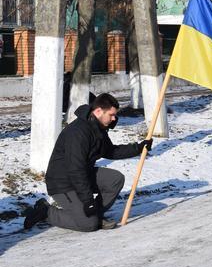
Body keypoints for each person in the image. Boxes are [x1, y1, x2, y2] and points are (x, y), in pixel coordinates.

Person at [22, 93, 151, 232]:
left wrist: (138, 148)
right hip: (62, 183)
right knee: (88, 225)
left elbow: (110, 151)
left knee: (115, 179)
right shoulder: (78, 132)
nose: (114, 119)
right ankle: (46, 212)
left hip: (82, 175)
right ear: (98, 111)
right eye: (111, 115)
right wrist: (88, 200)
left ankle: (95, 214)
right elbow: (76, 170)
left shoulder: (97, 128)